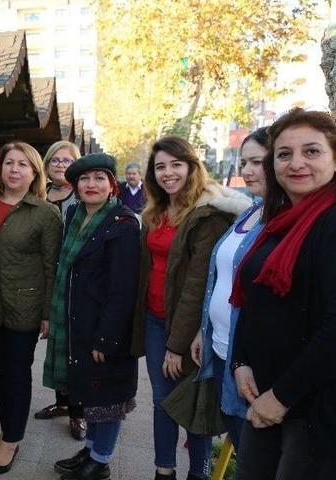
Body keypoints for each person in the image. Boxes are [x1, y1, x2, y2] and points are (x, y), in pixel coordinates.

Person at [131, 135, 250, 480]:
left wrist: (177, 345)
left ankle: (198, 472)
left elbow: (198, 285)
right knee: (162, 400)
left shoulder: (207, 215)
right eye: (160, 167)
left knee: (194, 404)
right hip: (155, 319)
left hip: (189, 327)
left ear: (191, 167)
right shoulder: (155, 212)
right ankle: (163, 469)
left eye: (176, 164)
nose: (168, 173)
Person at [229, 108, 336, 478]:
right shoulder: (281, 220)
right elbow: (256, 299)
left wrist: (280, 398)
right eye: (285, 154)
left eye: (312, 151)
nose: (296, 163)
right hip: (265, 394)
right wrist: (241, 361)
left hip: (312, 411)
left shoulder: (330, 222)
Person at [0, 141, 61, 475]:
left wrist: (48, 314)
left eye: (23, 164)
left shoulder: (45, 213)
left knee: (17, 374)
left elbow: (52, 267)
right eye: (9, 162)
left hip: (26, 307)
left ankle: (12, 439)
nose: (14, 169)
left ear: (34, 172)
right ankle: (6, 429)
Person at [51, 153, 140, 480]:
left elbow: (123, 288)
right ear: (75, 186)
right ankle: (90, 450)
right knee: (90, 392)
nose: (91, 185)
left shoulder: (123, 224)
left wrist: (106, 337)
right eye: (84, 179)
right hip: (80, 322)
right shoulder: (75, 215)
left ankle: (100, 461)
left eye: (99, 178)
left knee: (107, 397)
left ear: (112, 184)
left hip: (105, 329)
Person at [189, 127, 269, 449]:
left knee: (254, 452)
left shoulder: (283, 222)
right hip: (222, 349)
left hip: (250, 363)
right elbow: (221, 278)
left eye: (257, 162)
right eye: (243, 162)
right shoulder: (249, 211)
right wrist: (204, 329)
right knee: (238, 440)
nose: (247, 170)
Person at [36, 139, 87, 441]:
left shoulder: (81, 196)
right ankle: (62, 402)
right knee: (56, 344)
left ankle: (78, 412)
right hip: (44, 277)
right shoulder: (39, 192)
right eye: (55, 160)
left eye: (66, 161)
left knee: (73, 347)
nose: (60, 165)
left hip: (72, 280)